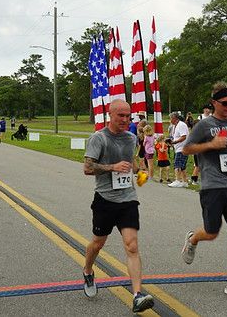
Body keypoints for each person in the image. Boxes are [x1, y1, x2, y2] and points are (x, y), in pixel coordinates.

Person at [81, 100, 154, 313]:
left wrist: (139, 170)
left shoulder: (131, 138)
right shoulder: (99, 138)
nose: (125, 120)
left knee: (132, 245)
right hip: (104, 200)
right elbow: (87, 168)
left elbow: (131, 161)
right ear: (109, 115)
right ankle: (87, 270)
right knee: (97, 243)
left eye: (128, 116)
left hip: (128, 199)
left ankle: (138, 294)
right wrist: (112, 167)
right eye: (120, 115)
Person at [181, 81, 227, 299]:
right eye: (225, 103)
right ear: (214, 103)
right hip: (212, 186)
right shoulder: (203, 125)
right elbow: (186, 148)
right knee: (211, 233)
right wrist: (210, 145)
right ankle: (193, 239)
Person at [167, 112, 189, 187]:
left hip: (182, 148)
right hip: (179, 148)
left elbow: (183, 137)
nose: (170, 120)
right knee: (182, 167)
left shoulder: (181, 125)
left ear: (174, 118)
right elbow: (176, 136)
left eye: (170, 118)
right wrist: (171, 142)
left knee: (177, 164)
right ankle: (185, 182)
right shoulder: (175, 126)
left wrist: (174, 142)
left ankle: (177, 180)